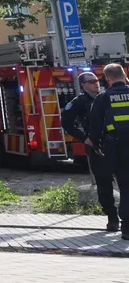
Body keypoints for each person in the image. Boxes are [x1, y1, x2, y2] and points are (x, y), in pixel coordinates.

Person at [61, 71, 114, 230]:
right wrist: (85, 139)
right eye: (91, 81)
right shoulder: (79, 102)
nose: (96, 83)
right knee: (104, 184)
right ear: (83, 85)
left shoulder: (106, 97)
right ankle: (112, 218)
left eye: (97, 80)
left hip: (115, 144)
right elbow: (67, 123)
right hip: (96, 147)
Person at [87, 63, 129, 239]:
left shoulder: (103, 97)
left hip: (119, 147)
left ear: (109, 79)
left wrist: (93, 143)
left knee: (126, 187)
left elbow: (95, 125)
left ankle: (127, 229)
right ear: (124, 74)